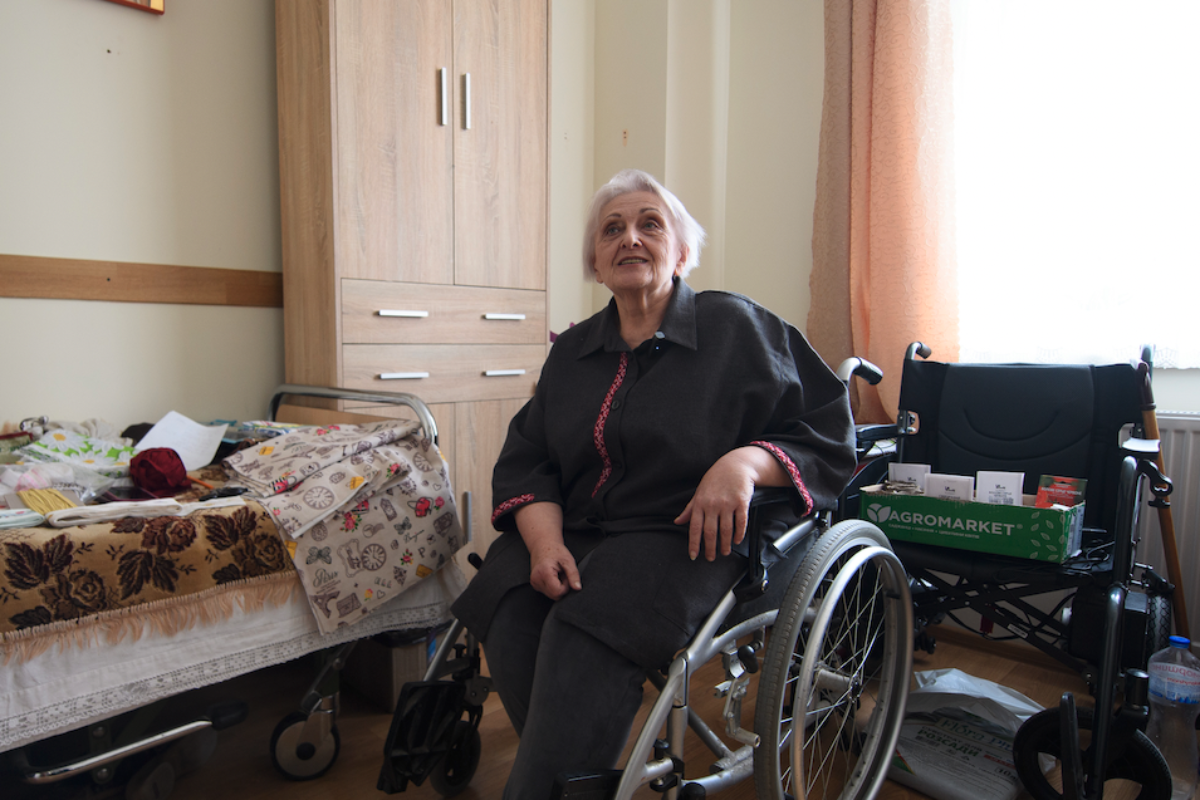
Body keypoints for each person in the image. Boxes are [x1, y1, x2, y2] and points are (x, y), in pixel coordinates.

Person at [450, 168, 856, 799]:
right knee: (510, 600)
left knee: (587, 624)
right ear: (595, 261)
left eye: (650, 225)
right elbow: (529, 455)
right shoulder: (574, 352)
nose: (630, 238)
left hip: (681, 533)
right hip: (577, 528)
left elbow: (827, 433)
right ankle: (568, 775)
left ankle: (550, 783)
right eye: (612, 229)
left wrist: (743, 463)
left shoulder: (737, 329)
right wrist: (542, 541)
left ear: (683, 252)